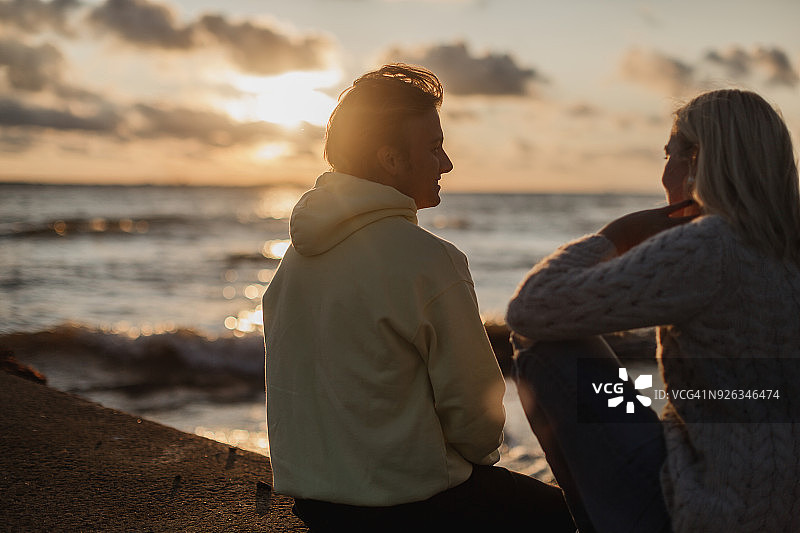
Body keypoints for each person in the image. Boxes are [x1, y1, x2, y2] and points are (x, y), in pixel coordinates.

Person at [262, 64, 575, 531]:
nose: (446, 163)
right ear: (390, 160)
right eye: (433, 148)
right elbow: (475, 418)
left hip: (316, 506)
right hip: (411, 507)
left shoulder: (294, 261)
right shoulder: (430, 261)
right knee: (572, 515)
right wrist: (476, 459)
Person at [507, 88, 800, 533]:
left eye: (670, 155)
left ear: (697, 159)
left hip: (709, 511)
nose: (664, 174)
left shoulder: (710, 245)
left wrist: (615, 235)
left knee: (547, 346)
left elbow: (531, 309)